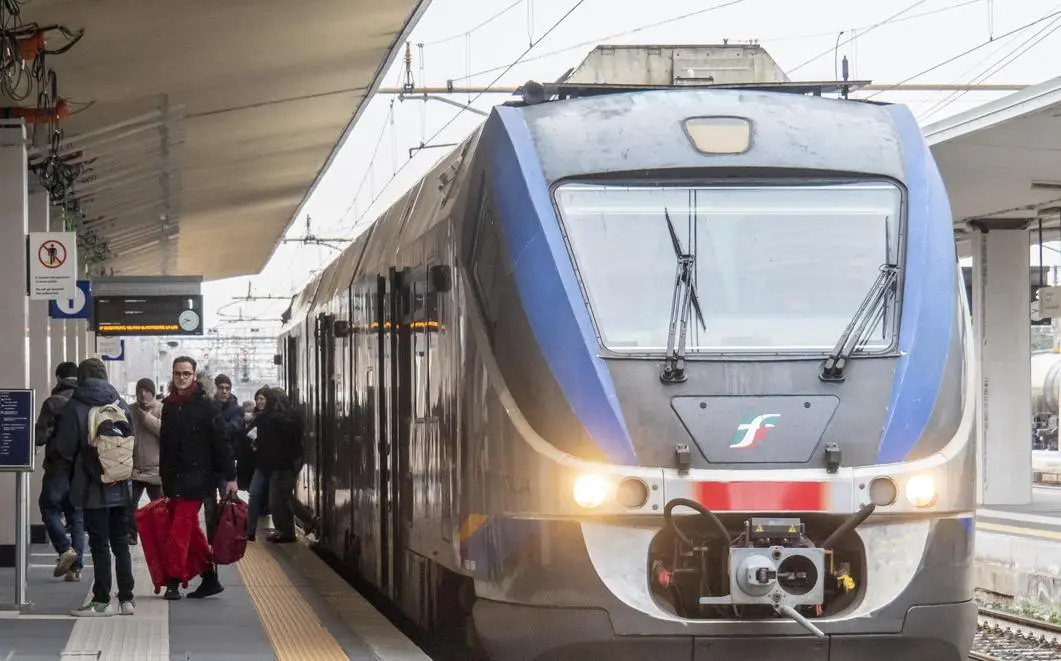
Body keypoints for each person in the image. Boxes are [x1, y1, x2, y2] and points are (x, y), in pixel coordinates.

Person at [53, 358, 136, 617]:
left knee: (99, 544)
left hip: (91, 486)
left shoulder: (76, 405)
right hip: (121, 483)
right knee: (120, 542)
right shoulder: (119, 403)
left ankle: (101, 601)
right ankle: (127, 600)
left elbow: (65, 448)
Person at [159, 356, 237, 600]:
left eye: (186, 373)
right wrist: (163, 476)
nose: (181, 378)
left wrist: (231, 477)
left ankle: (173, 581)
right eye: (177, 373)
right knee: (190, 530)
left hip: (197, 478)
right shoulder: (169, 405)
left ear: (194, 375)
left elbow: (221, 443)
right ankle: (209, 578)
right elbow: (165, 445)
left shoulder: (206, 406)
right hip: (174, 478)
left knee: (179, 530)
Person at [34, 361, 84, 581]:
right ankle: (76, 568)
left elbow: (40, 436)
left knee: (49, 506)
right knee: (77, 514)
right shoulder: (86, 401)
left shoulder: (54, 402)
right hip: (82, 467)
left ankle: (65, 550)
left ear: (58, 378)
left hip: (58, 466)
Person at [253, 387, 303, 543]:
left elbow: (275, 442)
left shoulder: (274, 418)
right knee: (282, 497)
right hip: (284, 463)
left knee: (279, 499)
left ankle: (286, 531)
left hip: (282, 464)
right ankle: (291, 528)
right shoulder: (288, 415)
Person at [202, 374, 244, 542]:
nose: (224, 391)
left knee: (229, 505)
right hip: (208, 466)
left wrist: (216, 428)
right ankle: (212, 539)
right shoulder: (207, 407)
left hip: (226, 465)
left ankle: (228, 538)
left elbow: (231, 429)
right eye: (220, 388)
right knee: (209, 507)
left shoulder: (237, 409)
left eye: (227, 388)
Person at [126, 378, 163, 545]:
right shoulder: (129, 410)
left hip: (156, 469)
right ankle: (131, 534)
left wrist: (146, 418)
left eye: (147, 390)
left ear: (153, 392)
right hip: (134, 469)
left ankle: (160, 535)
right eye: (140, 390)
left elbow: (166, 432)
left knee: (158, 507)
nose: (143, 394)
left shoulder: (162, 409)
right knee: (130, 504)